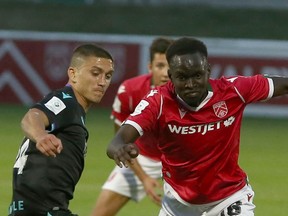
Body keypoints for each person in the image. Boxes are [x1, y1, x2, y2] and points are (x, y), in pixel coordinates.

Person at [106, 37, 288, 216]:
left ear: (208, 70)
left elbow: (283, 84)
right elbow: (118, 140)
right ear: (171, 76)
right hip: (178, 204)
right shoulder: (158, 101)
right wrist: (119, 148)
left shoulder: (234, 90)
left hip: (230, 196)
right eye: (182, 77)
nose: (191, 84)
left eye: (197, 75)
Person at [8, 44, 114, 216]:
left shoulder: (74, 111)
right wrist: (41, 136)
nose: (102, 82)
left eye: (108, 76)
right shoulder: (66, 101)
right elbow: (31, 116)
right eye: (95, 73)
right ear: (73, 74)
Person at [91, 37, 174, 216]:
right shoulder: (129, 91)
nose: (166, 73)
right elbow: (121, 144)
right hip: (142, 155)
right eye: (160, 66)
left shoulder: (190, 95)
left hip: (180, 160)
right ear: (150, 67)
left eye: (170, 66)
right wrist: (144, 178)